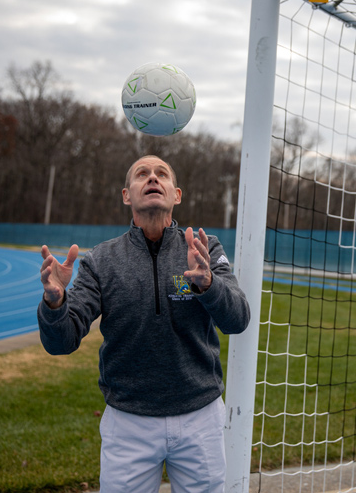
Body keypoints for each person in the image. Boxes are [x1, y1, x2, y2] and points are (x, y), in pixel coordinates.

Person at [37, 154, 250, 493]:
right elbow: (60, 343)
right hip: (128, 422)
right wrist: (55, 302)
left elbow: (237, 319)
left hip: (200, 417)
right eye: (142, 174)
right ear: (127, 195)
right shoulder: (100, 261)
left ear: (176, 194)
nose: (153, 178)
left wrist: (208, 284)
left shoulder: (203, 248)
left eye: (161, 173)